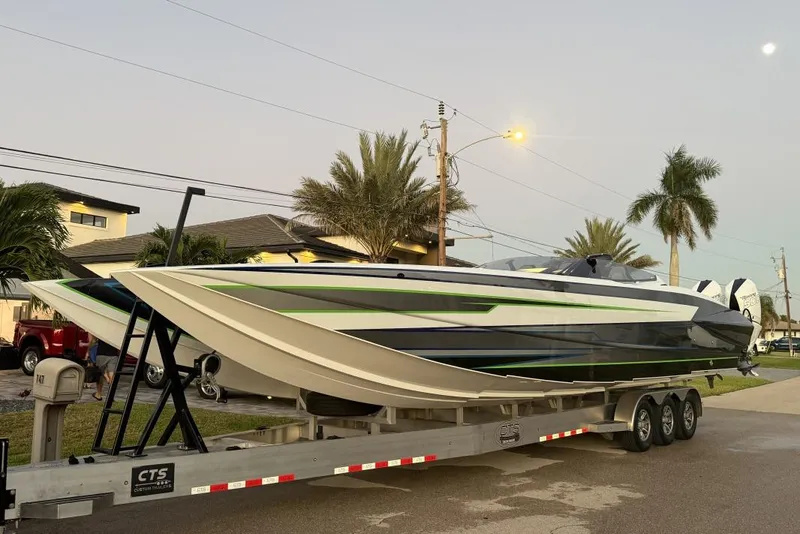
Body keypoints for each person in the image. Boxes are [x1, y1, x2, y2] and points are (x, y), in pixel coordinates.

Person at [86, 333, 118, 401]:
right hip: (113, 354)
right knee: (112, 375)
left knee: (100, 374)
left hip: (101, 354)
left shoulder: (100, 327)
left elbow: (92, 341)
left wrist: (88, 352)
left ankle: (98, 394)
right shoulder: (115, 327)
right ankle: (111, 396)